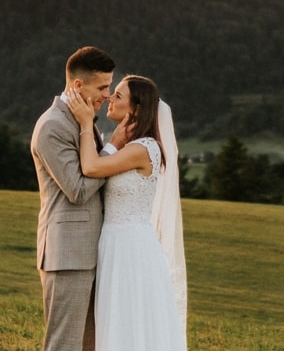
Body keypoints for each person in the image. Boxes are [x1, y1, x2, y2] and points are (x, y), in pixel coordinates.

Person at [66, 73, 188, 351]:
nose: (109, 97)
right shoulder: (129, 146)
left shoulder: (143, 149)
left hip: (130, 248)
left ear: (135, 109)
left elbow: (92, 168)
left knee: (127, 318)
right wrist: (115, 140)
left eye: (118, 95)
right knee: (116, 318)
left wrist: (86, 123)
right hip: (115, 242)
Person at [32, 46, 115, 350]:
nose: (108, 94)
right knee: (64, 345)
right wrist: (116, 160)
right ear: (78, 85)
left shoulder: (84, 119)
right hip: (67, 254)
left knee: (90, 346)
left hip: (91, 251)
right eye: (103, 87)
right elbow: (78, 190)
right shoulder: (52, 126)